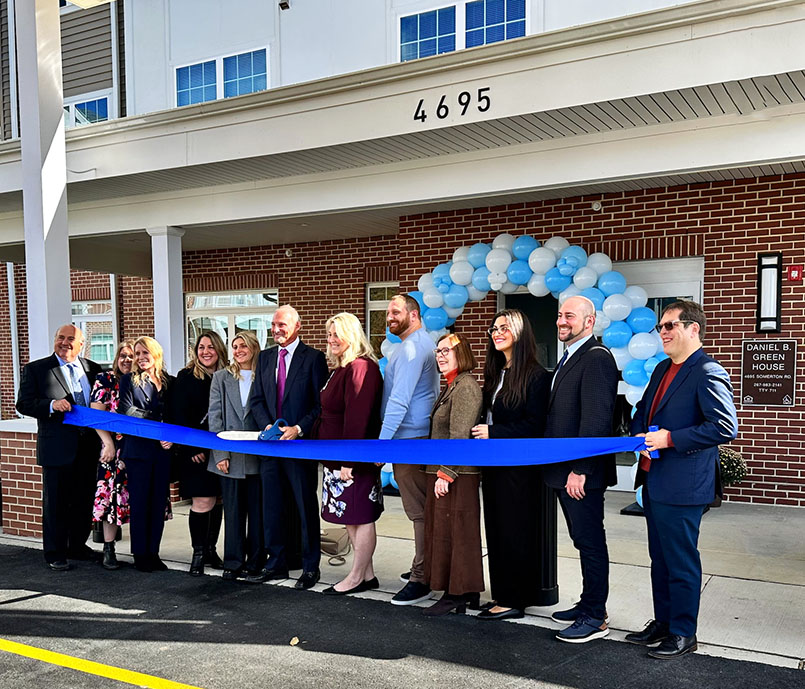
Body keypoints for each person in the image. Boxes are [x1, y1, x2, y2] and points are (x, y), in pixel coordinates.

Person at [626, 300, 738, 659]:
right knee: (660, 559)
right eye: (660, 327)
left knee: (680, 561)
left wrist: (670, 439)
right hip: (653, 480)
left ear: (693, 329)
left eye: (670, 325)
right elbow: (642, 411)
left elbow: (724, 426)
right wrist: (639, 434)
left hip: (683, 485)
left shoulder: (707, 371)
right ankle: (664, 623)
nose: (662, 332)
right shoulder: (662, 368)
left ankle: (684, 632)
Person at [543, 296, 619, 643]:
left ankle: (596, 617)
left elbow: (596, 419)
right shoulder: (570, 357)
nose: (562, 321)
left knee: (590, 542)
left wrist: (581, 469)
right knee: (581, 539)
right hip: (565, 471)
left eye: (570, 316)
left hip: (580, 474)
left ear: (589, 321)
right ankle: (588, 603)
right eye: (560, 315)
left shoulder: (596, 358)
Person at [470, 309, 550, 620]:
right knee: (497, 530)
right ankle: (502, 593)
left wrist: (494, 432)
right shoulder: (497, 372)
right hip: (493, 465)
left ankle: (514, 600)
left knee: (515, 531)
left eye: (504, 327)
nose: (497, 332)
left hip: (518, 470)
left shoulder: (536, 376)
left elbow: (536, 426)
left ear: (520, 332)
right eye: (494, 328)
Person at [246, 305, 328, 590]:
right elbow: (256, 400)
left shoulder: (314, 358)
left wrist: (298, 428)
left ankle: (310, 567)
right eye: (273, 324)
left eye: (282, 324)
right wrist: (269, 426)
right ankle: (276, 563)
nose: (276, 329)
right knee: (272, 508)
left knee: (305, 508)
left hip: (300, 446)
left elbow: (319, 405)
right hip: (271, 447)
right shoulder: (265, 358)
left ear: (297, 326)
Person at [16, 325, 103, 571]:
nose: (65, 342)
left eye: (71, 339)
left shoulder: (93, 369)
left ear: (81, 344)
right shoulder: (37, 369)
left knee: (83, 500)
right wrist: (52, 405)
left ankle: (77, 546)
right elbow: (23, 404)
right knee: (56, 503)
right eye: (60, 338)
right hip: (57, 448)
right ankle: (55, 553)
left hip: (88, 448)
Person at [315, 313, 384, 596]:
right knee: (351, 518)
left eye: (337, 334)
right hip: (338, 459)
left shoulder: (361, 367)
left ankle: (355, 577)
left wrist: (349, 460)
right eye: (329, 334)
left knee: (360, 517)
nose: (331, 340)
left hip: (353, 461)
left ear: (351, 335)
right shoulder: (341, 367)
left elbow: (358, 418)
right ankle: (367, 574)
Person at [381, 294, 440, 606]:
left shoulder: (413, 347)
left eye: (396, 311)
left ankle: (422, 578)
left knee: (418, 511)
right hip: (414, 437)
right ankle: (425, 566)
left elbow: (400, 399)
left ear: (414, 315)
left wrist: (382, 444)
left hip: (410, 439)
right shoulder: (419, 343)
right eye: (388, 312)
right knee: (422, 510)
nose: (389, 316)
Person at [422, 333, 484, 617]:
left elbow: (459, 435)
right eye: (438, 351)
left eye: (447, 350)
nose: (441, 356)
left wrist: (445, 473)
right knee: (448, 532)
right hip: (447, 472)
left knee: (456, 534)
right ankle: (464, 591)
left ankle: (456, 593)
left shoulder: (465, 386)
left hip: (456, 475)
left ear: (463, 353)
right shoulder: (452, 385)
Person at [207, 331, 265, 581]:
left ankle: (256, 562)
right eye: (235, 346)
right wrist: (220, 454)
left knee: (257, 514)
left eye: (243, 346)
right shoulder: (221, 378)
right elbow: (215, 417)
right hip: (229, 457)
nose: (238, 350)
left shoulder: (264, 376)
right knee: (233, 513)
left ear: (254, 348)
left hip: (258, 457)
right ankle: (233, 562)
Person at [171, 331, 228, 576]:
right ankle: (198, 553)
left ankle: (211, 550)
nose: (206, 352)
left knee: (218, 500)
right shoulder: (186, 377)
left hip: (222, 451)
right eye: (201, 347)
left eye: (211, 347)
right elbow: (178, 415)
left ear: (219, 350)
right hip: (195, 452)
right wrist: (192, 448)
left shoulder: (228, 375)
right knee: (202, 501)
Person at [117, 336, 175, 572]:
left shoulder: (169, 382)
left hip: (163, 452)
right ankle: (140, 555)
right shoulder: (129, 380)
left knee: (158, 503)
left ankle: (154, 553)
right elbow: (127, 411)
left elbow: (175, 414)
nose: (140, 358)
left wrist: (171, 435)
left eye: (144, 353)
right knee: (141, 503)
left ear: (156, 354)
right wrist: (159, 424)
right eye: (137, 353)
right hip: (138, 452)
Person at [89, 340, 135, 570]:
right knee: (111, 500)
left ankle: (144, 550)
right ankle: (109, 549)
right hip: (113, 449)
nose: (127, 360)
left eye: (132, 356)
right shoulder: (106, 379)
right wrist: (107, 443)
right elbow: (96, 414)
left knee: (138, 498)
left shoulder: (143, 381)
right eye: (123, 355)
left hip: (138, 448)